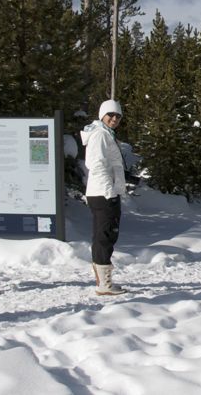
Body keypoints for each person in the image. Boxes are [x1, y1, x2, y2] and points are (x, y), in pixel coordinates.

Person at [80, 99, 128, 295]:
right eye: (111, 115)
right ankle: (104, 284)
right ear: (102, 116)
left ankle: (103, 280)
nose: (114, 119)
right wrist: (109, 190)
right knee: (104, 236)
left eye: (118, 116)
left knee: (106, 235)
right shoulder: (100, 134)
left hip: (105, 192)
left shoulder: (106, 134)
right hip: (103, 193)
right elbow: (96, 163)